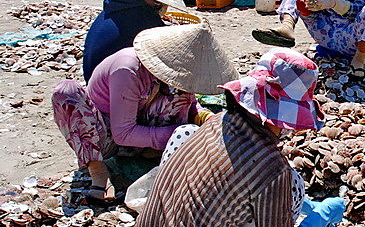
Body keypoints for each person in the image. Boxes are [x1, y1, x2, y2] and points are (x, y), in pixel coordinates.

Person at [131, 49, 344, 227]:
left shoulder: (216, 121)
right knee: (293, 186)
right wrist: (317, 219)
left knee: (185, 132)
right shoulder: (272, 170)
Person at [52, 24, 236, 204]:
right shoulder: (128, 69)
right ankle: (98, 171)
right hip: (105, 136)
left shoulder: (178, 75)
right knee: (66, 92)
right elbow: (123, 134)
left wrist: (204, 118)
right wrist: (183, 134)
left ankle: (152, 151)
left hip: (143, 127)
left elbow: (190, 103)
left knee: (179, 96)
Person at [83, 0, 185, 81]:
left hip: (93, 78)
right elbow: (165, 52)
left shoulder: (115, 5)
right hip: (109, 86)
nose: (159, 3)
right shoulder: (142, 16)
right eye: (156, 0)